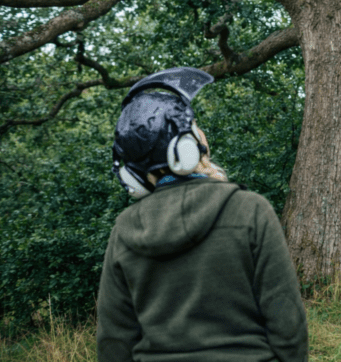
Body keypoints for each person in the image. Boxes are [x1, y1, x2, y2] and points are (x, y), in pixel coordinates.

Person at [97, 67, 308, 362]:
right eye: (194, 127)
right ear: (186, 147)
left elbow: (114, 341)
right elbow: (287, 323)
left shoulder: (124, 229)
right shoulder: (250, 210)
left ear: (131, 174)